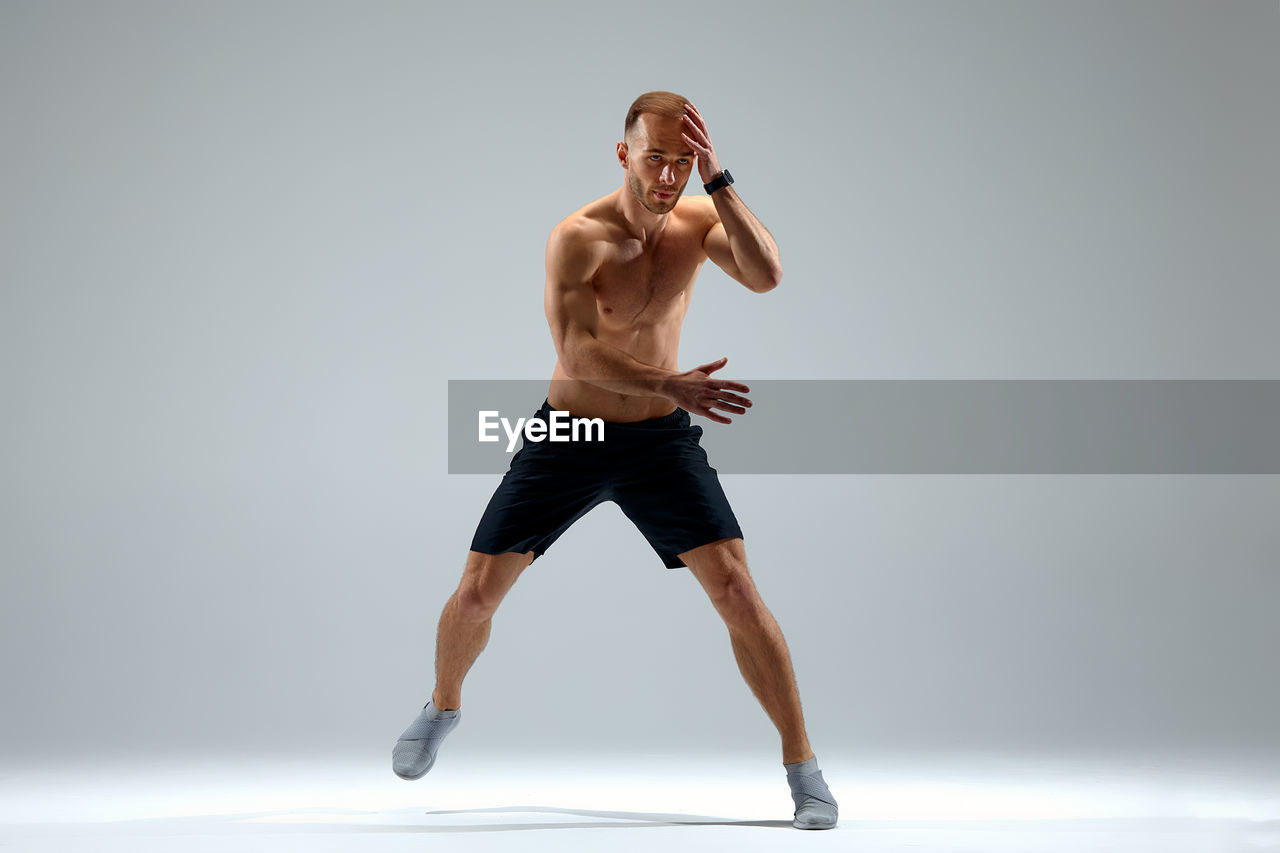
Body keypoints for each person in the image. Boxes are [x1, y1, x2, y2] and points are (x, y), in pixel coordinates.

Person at [392, 91, 838, 830]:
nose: (669, 175)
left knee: (735, 589)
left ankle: (803, 766)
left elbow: (767, 276)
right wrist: (670, 380)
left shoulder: (698, 220)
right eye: (655, 157)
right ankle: (443, 705)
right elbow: (577, 352)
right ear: (624, 154)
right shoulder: (579, 237)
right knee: (476, 592)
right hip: (570, 434)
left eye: (683, 160)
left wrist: (720, 180)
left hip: (658, 442)